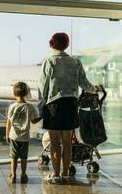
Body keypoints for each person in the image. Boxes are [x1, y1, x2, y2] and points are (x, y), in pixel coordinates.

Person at [38, 32, 102, 183]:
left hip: (53, 105)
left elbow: (43, 88)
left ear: (51, 44)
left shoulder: (49, 62)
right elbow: (84, 83)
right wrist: (95, 89)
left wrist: (40, 109)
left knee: (54, 142)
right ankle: (65, 173)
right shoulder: (76, 62)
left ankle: (55, 175)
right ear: (67, 45)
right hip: (71, 105)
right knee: (67, 142)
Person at [6, 82, 41, 184]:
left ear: (14, 94)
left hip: (14, 136)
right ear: (26, 93)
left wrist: (7, 134)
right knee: (24, 157)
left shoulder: (12, 106)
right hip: (24, 137)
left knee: (13, 157)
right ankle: (23, 175)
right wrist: (42, 116)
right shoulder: (30, 107)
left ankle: (13, 175)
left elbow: (8, 121)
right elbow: (34, 121)